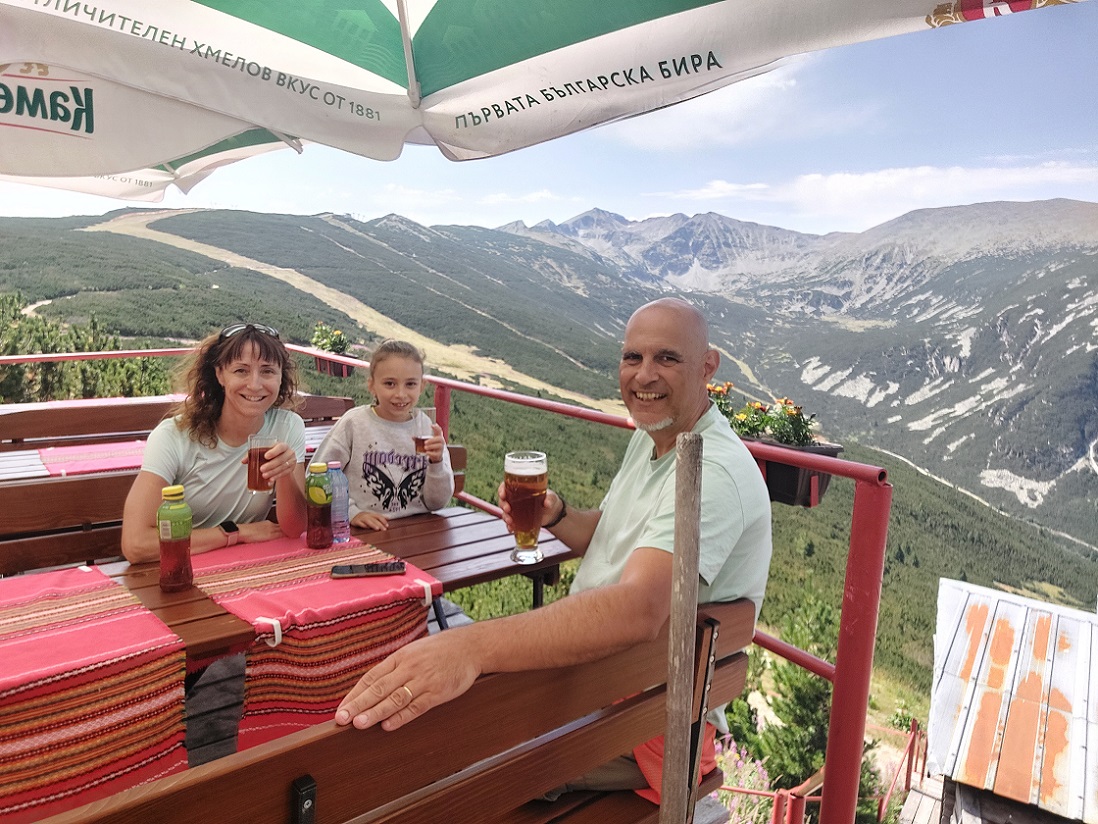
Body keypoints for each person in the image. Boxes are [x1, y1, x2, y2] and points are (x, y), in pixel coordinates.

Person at [334, 298, 772, 803]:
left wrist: (470, 647)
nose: (644, 376)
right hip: (598, 683)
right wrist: (558, 515)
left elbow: (639, 609)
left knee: (416, 765)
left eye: (667, 359)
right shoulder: (656, 436)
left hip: (639, 723)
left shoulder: (711, 471)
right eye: (632, 358)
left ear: (707, 366)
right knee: (412, 721)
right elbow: (611, 536)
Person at [121, 323, 307, 563]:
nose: (254, 384)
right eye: (241, 370)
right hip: (181, 568)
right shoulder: (173, 436)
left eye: (268, 371)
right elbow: (135, 544)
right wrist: (234, 533)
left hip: (246, 565)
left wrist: (284, 475)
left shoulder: (288, 426)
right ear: (220, 374)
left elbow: (295, 529)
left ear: (281, 376)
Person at [314, 339, 454, 531]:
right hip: (364, 532)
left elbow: (437, 503)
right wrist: (351, 513)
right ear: (372, 386)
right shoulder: (354, 423)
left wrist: (436, 463)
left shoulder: (426, 428)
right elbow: (317, 476)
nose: (400, 394)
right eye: (389, 383)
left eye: (410, 384)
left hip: (417, 532)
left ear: (422, 386)